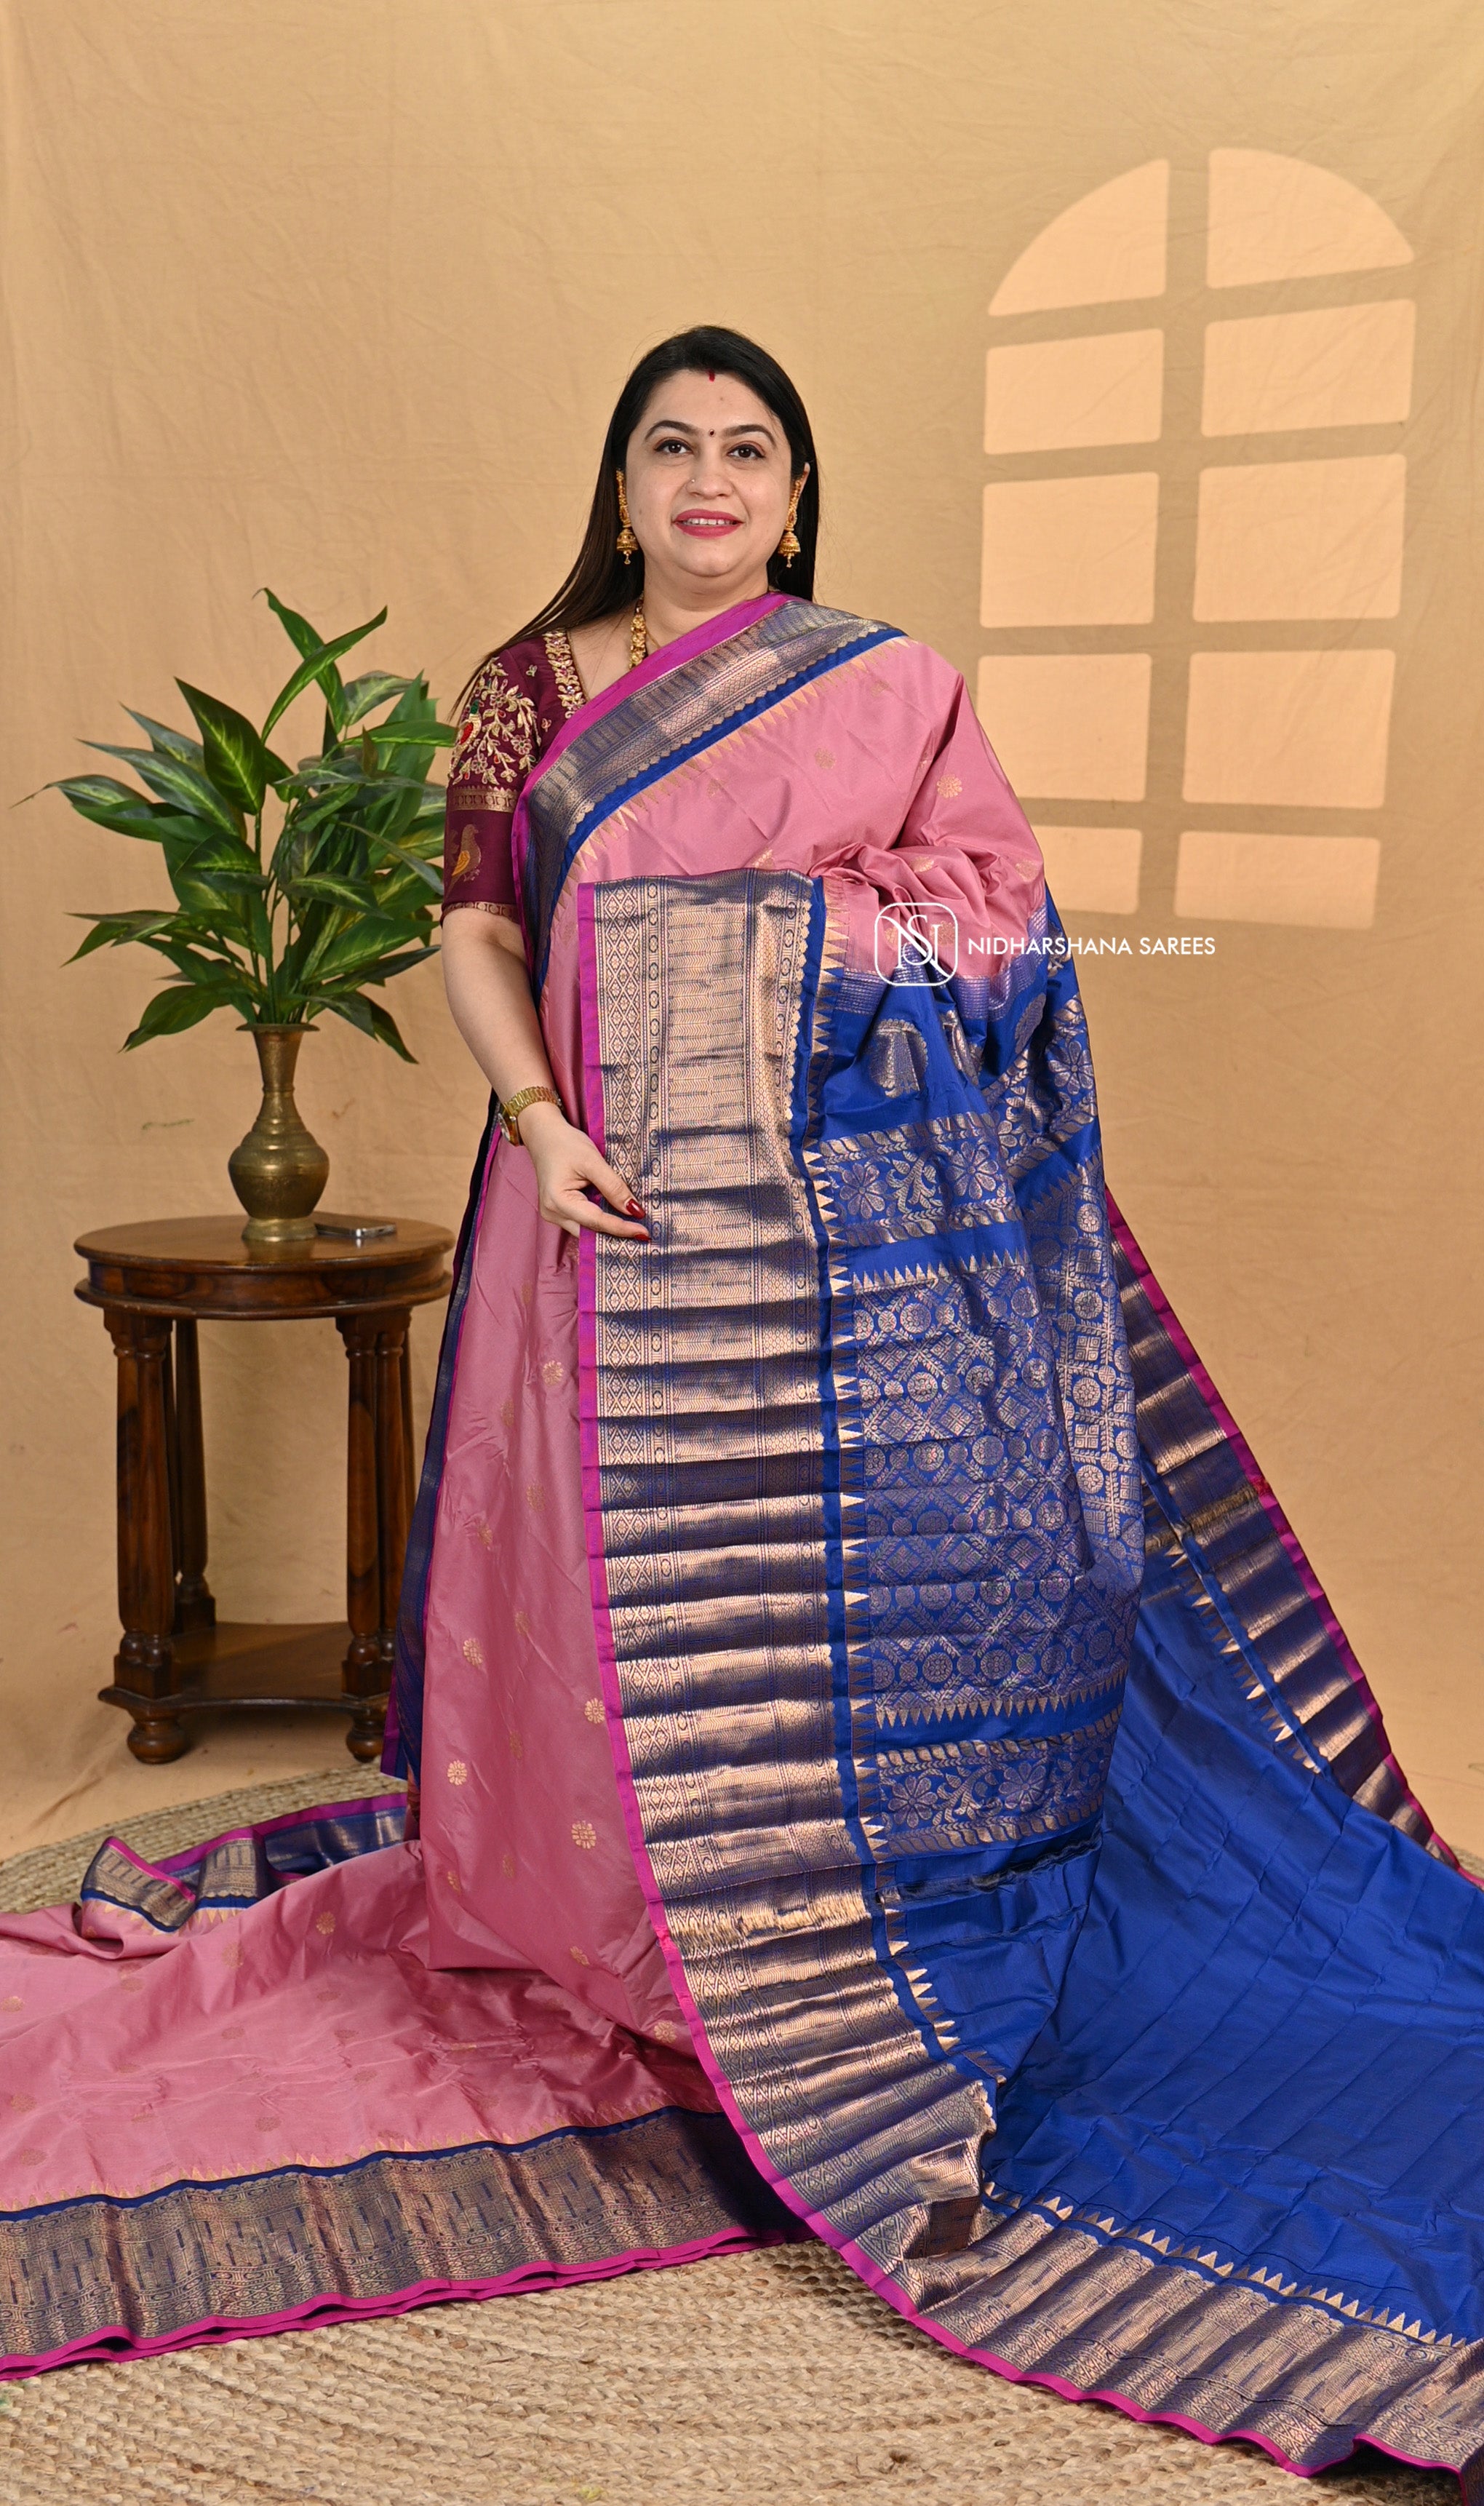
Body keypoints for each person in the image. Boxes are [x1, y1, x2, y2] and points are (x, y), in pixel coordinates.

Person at [4, 328, 1484, 2493]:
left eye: (751, 450)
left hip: (828, 1251)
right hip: (594, 1202)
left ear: (795, 498)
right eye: (671, 446)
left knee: (806, 1589)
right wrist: (539, 1114)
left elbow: (1002, 927)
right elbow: (477, 927)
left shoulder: (886, 686)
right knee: (594, 1583)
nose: (710, 478)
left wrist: (768, 944)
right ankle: (605, 1918)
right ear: (620, 486)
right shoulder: (530, 688)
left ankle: (803, 1911)